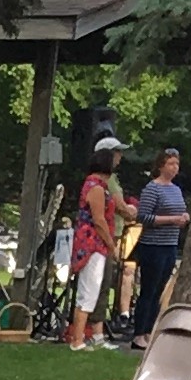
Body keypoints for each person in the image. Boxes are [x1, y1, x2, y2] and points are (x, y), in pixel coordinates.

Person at [67, 139, 127, 348]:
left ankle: (81, 337)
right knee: (89, 290)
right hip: (93, 244)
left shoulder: (95, 185)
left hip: (93, 244)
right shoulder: (96, 188)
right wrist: (111, 245)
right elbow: (99, 220)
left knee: (90, 291)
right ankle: (77, 339)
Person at [124, 147, 187, 343]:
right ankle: (138, 332)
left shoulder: (176, 189)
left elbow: (180, 209)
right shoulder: (153, 188)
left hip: (170, 244)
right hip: (153, 245)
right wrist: (171, 219)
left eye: (177, 164)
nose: (174, 168)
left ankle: (150, 330)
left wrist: (184, 217)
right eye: (170, 164)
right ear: (161, 166)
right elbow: (144, 216)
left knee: (160, 289)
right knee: (148, 289)